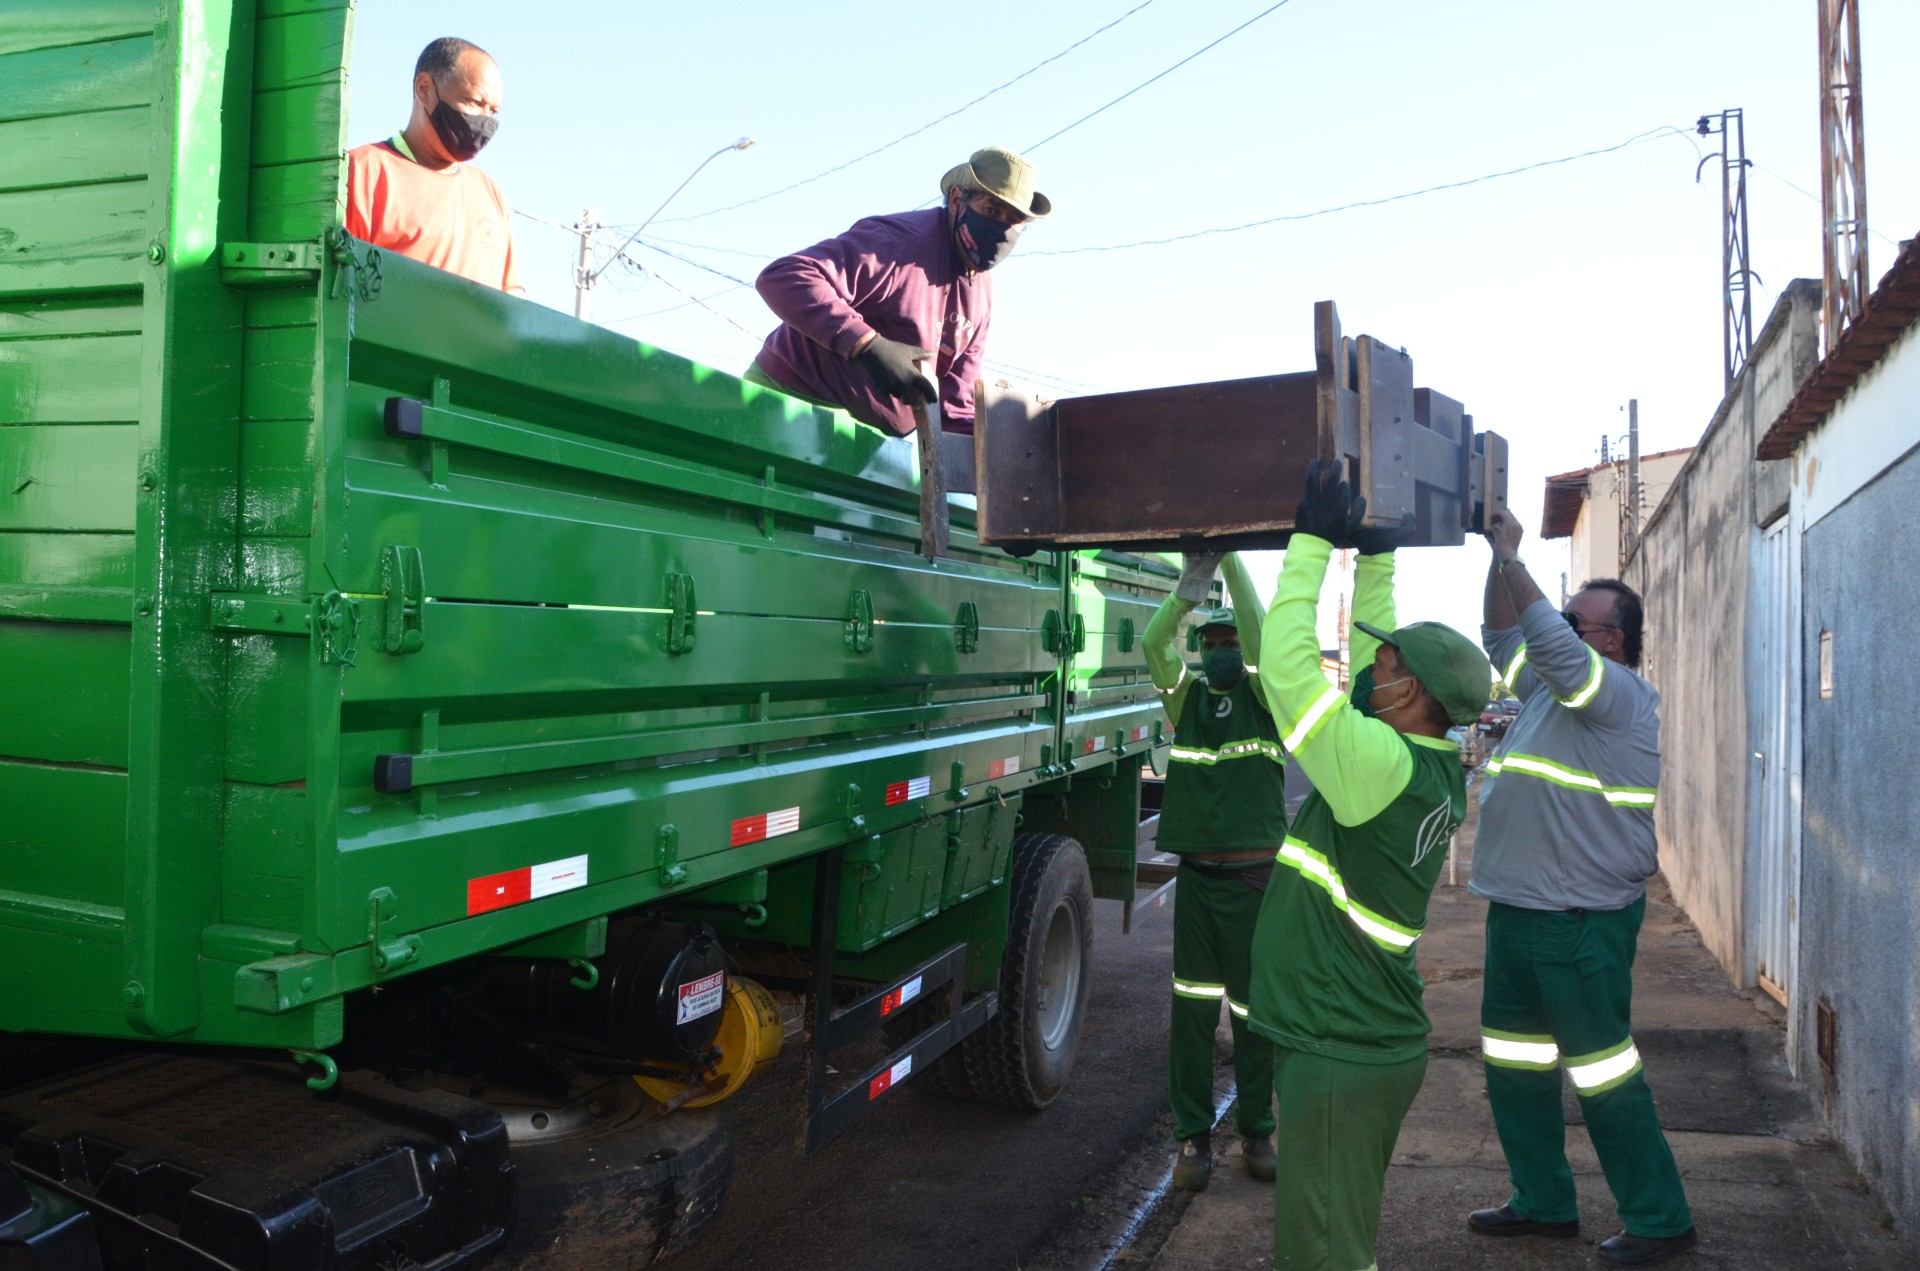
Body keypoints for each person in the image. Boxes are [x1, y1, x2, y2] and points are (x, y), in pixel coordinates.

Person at [1246, 460, 1493, 1271]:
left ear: (1411, 692)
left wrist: (1311, 544)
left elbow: (1288, 671)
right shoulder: (1422, 759)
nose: (1370, 668)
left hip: (1336, 1046)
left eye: (1386, 668)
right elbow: (1378, 648)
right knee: (1341, 1240)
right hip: (1359, 1040)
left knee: (1323, 1256)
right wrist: (1377, 558)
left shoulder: (1375, 766)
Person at [1466, 510, 1696, 1266]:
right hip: (1519, 913)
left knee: (1604, 1074)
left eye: (1578, 621)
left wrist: (1516, 555)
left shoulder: (1619, 694)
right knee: (1516, 1065)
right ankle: (1542, 1199)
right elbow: (1503, 638)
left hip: (1580, 921)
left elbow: (1554, 652)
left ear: (1613, 639)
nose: (1562, 629)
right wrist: (1495, 562)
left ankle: (1660, 1217)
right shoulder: (1547, 688)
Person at [1142, 552, 1285, 1191]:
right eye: (1214, 642)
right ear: (1200, 651)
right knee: (1192, 1016)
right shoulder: (1187, 700)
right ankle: (1193, 1140)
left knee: (1256, 1017)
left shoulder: (1265, 697)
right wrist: (1187, 590)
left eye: (1230, 641)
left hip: (1256, 886)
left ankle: (1257, 1130)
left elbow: (1259, 635)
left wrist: (1230, 556)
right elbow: (1152, 643)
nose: (1225, 650)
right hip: (1199, 883)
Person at [747, 146, 1049, 437]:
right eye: (991, 210)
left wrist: (1001, 447)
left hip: (870, 440)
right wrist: (867, 346)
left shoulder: (981, 294)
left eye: (1014, 221)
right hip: (790, 400)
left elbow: (955, 410)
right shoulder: (898, 244)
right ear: (957, 199)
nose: (1001, 231)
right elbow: (784, 277)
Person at [346, 37, 522, 294]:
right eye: (474, 102)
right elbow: (338, 285)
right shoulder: (363, 170)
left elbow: (511, 297)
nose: (485, 121)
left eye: (493, 111)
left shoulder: (491, 192)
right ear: (424, 89)